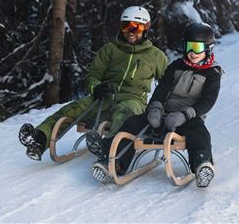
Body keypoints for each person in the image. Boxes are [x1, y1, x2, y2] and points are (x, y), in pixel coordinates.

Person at [18, 6, 168, 161]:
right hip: (104, 98)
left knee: (124, 114)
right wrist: (96, 87)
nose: (130, 32)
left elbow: (167, 84)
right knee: (72, 109)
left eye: (136, 27)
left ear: (146, 29)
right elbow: (93, 75)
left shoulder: (156, 56)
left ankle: (108, 150)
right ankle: (39, 139)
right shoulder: (109, 50)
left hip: (133, 101)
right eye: (126, 26)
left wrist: (161, 107)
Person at [86, 23, 223, 187]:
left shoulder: (212, 73)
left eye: (197, 48)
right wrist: (155, 108)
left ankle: (202, 165)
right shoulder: (176, 66)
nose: (192, 53)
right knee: (132, 123)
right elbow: (162, 89)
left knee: (199, 133)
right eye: (189, 46)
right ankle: (113, 162)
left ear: (208, 48)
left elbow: (208, 101)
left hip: (187, 118)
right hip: (163, 115)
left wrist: (185, 115)